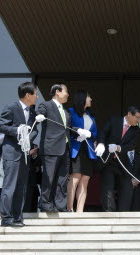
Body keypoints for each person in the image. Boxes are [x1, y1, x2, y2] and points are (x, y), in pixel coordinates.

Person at [35, 84, 90, 212]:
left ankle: (60, 206)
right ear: (57, 92)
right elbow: (40, 112)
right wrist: (39, 116)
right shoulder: (46, 105)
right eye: (66, 91)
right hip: (51, 148)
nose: (68, 95)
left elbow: (68, 129)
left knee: (62, 179)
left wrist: (80, 131)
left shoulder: (66, 112)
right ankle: (46, 204)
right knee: (49, 177)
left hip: (65, 149)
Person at [0, 82, 39, 226]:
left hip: (24, 154)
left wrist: (31, 133)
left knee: (21, 187)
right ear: (28, 95)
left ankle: (17, 217)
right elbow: (1, 126)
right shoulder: (12, 107)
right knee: (10, 186)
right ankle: (6, 218)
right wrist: (17, 130)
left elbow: (33, 130)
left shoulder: (32, 112)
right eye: (35, 94)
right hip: (11, 152)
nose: (37, 97)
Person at [96, 106, 140, 212]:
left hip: (123, 163)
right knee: (108, 189)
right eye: (138, 117)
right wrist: (101, 144)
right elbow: (103, 132)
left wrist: (118, 148)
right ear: (129, 114)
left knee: (127, 188)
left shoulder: (136, 130)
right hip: (108, 161)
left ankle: (123, 214)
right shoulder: (114, 121)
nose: (139, 120)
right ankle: (109, 214)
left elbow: (131, 146)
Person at [67, 90, 98, 212]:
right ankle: (70, 209)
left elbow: (95, 133)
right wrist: (77, 131)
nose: (91, 99)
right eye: (89, 97)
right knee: (75, 178)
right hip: (76, 148)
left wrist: (90, 134)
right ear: (82, 98)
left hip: (88, 150)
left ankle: (80, 211)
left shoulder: (90, 115)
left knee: (85, 179)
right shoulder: (71, 112)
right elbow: (67, 127)